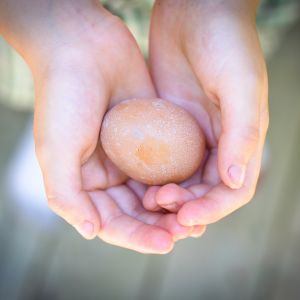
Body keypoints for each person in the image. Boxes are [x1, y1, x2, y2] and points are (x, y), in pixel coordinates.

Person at [0, 0, 268, 254]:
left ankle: (228, 122)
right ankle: (60, 141)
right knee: (60, 88)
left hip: (187, 41)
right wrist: (58, 28)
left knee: (228, 88)